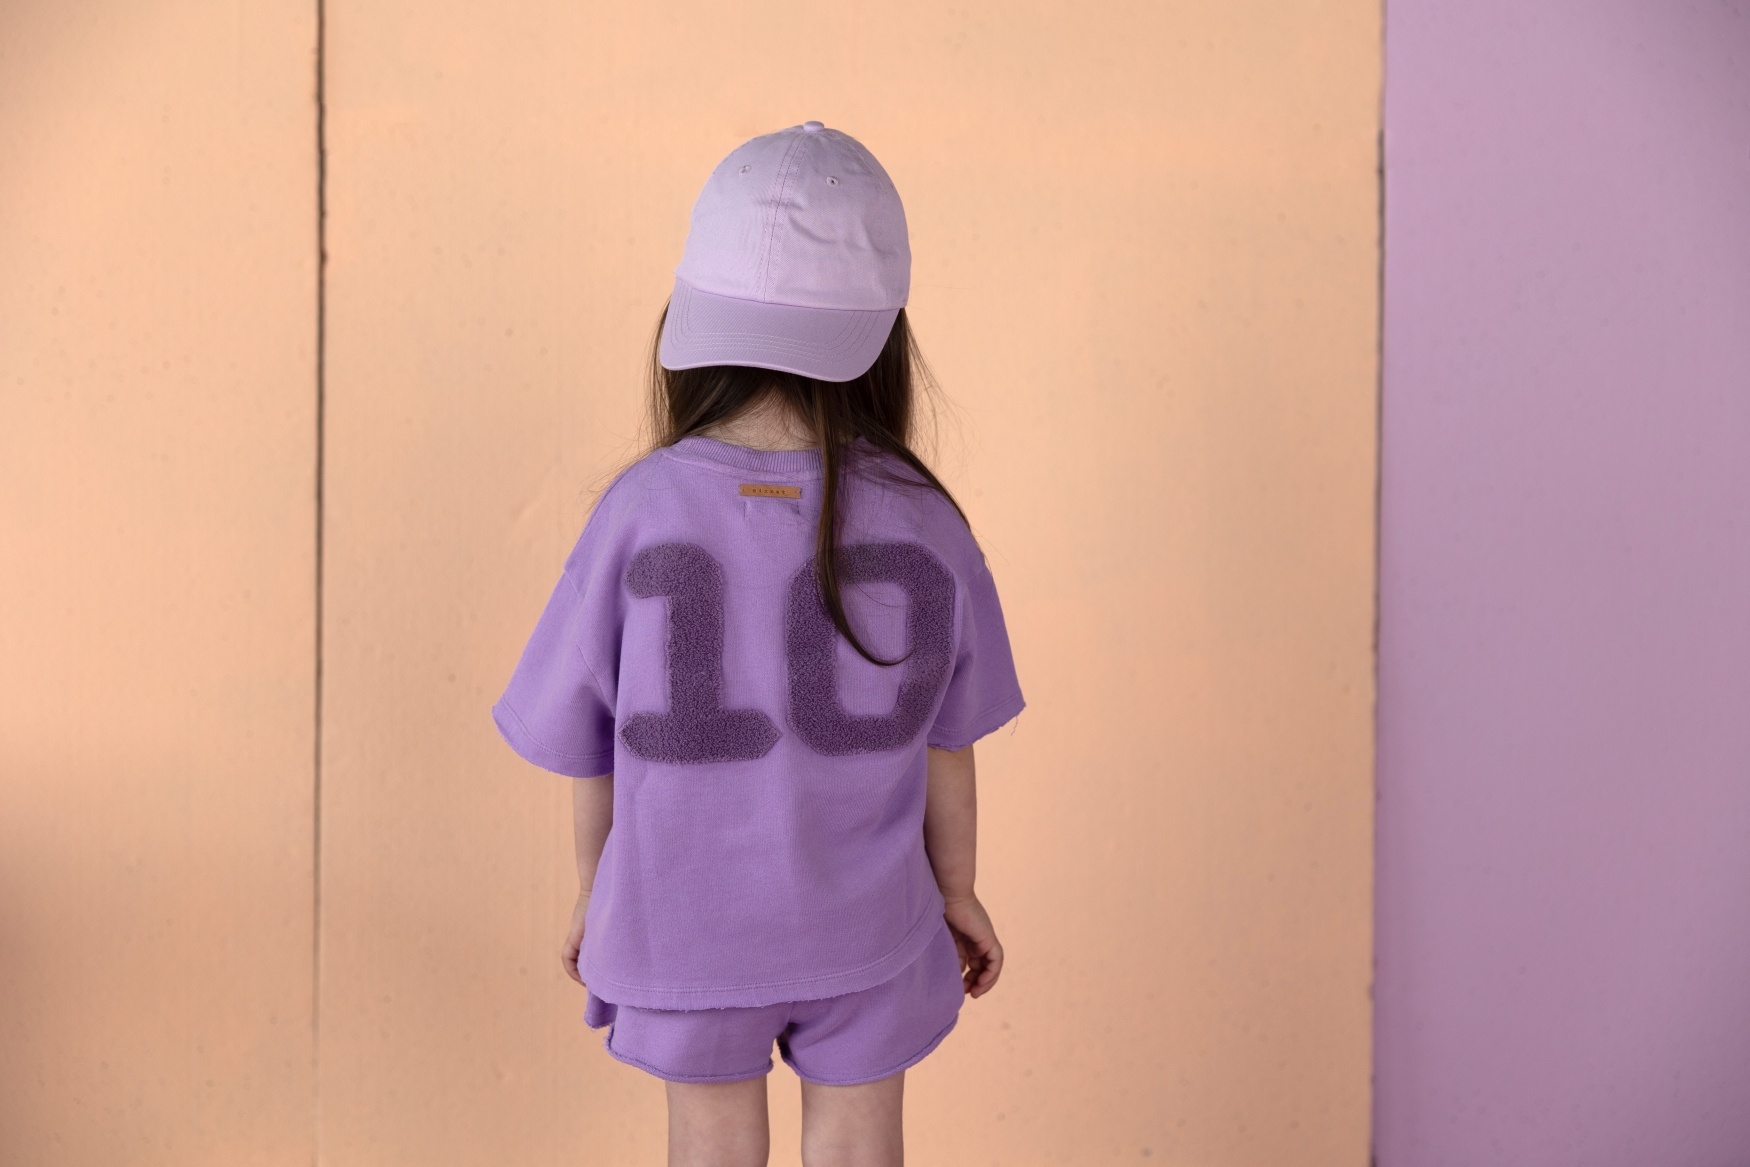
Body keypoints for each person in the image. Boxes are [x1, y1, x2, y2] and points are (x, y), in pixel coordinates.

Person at [491, 120, 1026, 1167]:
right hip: (869, 927)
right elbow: (948, 745)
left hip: (684, 933)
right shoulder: (927, 519)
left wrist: (597, 892)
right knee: (862, 1149)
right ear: (883, 340)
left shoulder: (637, 511)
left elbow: (595, 747)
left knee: (710, 1150)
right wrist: (956, 892)